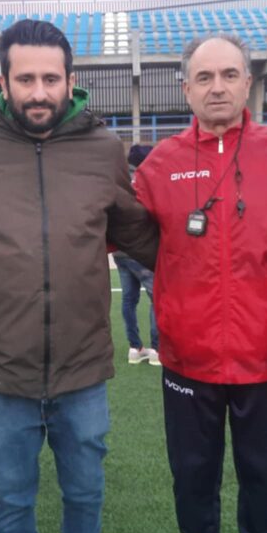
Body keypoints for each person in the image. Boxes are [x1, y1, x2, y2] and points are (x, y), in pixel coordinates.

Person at [0, 19, 158, 533]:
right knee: (12, 495)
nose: (39, 91)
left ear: (71, 81)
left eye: (50, 78)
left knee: (85, 488)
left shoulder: (102, 149)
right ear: (3, 81)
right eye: (26, 78)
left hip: (82, 361)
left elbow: (137, 228)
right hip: (0, 363)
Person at [134, 33, 267, 533]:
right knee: (194, 476)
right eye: (204, 77)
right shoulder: (159, 164)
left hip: (265, 354)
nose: (218, 87)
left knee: (264, 476)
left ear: (247, 82)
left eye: (229, 74)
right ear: (185, 89)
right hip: (188, 357)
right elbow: (123, 237)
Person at [113, 143, 160, 366]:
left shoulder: (119, 179)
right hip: (141, 249)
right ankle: (157, 349)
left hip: (120, 250)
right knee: (156, 299)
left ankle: (135, 347)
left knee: (128, 299)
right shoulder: (149, 180)